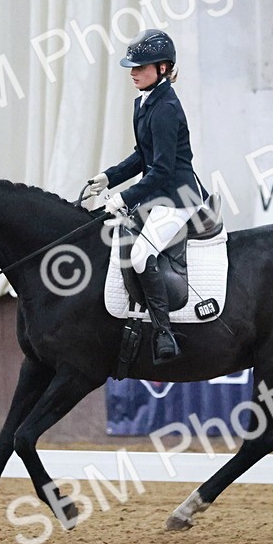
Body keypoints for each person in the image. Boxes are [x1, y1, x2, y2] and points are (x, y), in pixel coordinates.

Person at [86, 29, 206, 363]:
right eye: (132, 66)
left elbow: (163, 170)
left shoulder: (166, 107)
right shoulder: (145, 102)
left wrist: (124, 198)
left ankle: (164, 333)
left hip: (178, 197)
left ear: (164, 68)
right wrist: (108, 177)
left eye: (141, 66)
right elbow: (142, 157)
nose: (133, 72)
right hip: (157, 195)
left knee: (140, 255)